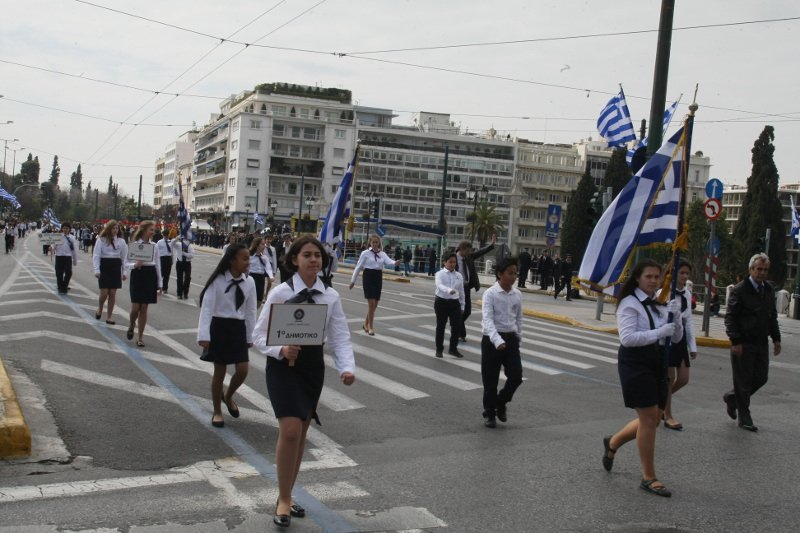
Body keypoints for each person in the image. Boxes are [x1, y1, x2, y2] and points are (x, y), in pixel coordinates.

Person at [254, 235, 355, 528]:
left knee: (300, 434)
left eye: (318, 255)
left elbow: (340, 336)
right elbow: (259, 336)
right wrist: (280, 349)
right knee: (289, 430)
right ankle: (284, 499)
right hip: (283, 365)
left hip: (311, 366)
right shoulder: (281, 293)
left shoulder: (330, 296)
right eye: (307, 255)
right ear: (295, 259)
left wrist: (346, 368)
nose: (314, 260)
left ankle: (286, 493)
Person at [601, 259, 683, 498]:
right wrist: (660, 332)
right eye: (649, 276)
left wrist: (675, 319)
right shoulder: (629, 303)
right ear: (638, 278)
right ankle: (649, 477)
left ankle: (613, 442)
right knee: (649, 419)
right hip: (635, 363)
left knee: (655, 417)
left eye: (657, 277)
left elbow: (675, 338)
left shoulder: (658, 303)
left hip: (656, 362)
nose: (654, 281)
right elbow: (627, 338)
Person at [197, 243, 257, 429]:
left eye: (249, 258)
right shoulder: (218, 280)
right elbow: (207, 308)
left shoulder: (250, 282)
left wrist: (250, 336)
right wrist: (204, 335)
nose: (248, 262)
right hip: (219, 328)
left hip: (238, 328)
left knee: (243, 370)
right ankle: (217, 411)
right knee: (219, 373)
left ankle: (228, 395)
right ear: (232, 260)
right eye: (244, 258)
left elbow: (251, 310)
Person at [723, 253, 781, 432]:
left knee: (761, 377)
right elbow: (730, 317)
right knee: (743, 380)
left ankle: (732, 398)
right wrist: (736, 340)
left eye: (765, 270)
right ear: (751, 270)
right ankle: (744, 416)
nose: (762, 273)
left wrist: (776, 338)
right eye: (759, 269)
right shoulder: (740, 290)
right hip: (744, 342)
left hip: (761, 342)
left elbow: (772, 316)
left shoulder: (769, 290)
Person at [481, 256, 523, 428]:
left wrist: (518, 338)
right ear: (500, 274)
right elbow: (487, 320)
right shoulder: (490, 294)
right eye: (510, 273)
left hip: (510, 339)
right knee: (490, 381)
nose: (513, 277)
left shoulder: (517, 294)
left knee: (516, 376)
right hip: (492, 340)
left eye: (515, 273)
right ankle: (490, 414)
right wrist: (497, 340)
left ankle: (501, 402)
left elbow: (519, 319)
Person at [657, 259, 697, 430]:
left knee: (683, 379)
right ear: (672, 273)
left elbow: (688, 320)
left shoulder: (687, 294)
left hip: (680, 340)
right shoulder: (663, 292)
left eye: (687, 273)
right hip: (666, 339)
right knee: (669, 378)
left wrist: (692, 346)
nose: (685, 276)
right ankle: (668, 414)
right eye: (681, 273)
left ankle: (661, 402)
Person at [349, 235, 400, 336]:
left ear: (379, 243)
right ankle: (370, 327)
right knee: (371, 303)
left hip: (377, 277)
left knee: (375, 304)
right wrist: (352, 281)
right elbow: (358, 267)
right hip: (368, 276)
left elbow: (388, 261)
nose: (375, 244)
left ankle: (365, 323)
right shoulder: (365, 253)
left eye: (377, 242)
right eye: (373, 242)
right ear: (370, 243)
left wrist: (395, 263)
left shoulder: (382, 254)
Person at [126, 220, 162, 348]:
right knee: (135, 308)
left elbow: (158, 264)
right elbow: (126, 263)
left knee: (144, 309)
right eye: (151, 229)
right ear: (144, 231)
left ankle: (140, 337)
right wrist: (135, 265)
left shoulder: (155, 246)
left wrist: (160, 283)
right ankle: (131, 324)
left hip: (149, 275)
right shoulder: (134, 245)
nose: (153, 232)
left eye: (153, 230)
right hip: (138, 274)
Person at [455, 234, 496, 341]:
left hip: (466, 288)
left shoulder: (468, 257)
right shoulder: (453, 258)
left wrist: (491, 245)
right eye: (467, 251)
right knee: (459, 311)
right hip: (455, 289)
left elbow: (480, 252)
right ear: (462, 249)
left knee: (467, 311)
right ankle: (461, 333)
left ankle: (456, 326)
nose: (469, 253)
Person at [92, 220, 129, 324]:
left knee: (112, 293)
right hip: (104, 265)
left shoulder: (121, 242)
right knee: (104, 293)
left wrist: (124, 272)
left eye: (117, 228)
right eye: (113, 228)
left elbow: (124, 257)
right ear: (108, 229)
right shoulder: (101, 240)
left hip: (115, 266)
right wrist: (96, 269)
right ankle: (100, 308)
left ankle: (109, 316)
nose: (115, 230)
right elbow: (96, 255)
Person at [433, 252, 466, 358]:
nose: (452, 264)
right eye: (450, 262)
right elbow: (439, 285)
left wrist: (462, 305)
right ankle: (439, 349)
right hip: (441, 302)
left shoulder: (459, 275)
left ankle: (453, 349)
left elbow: (461, 291)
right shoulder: (439, 274)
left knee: (456, 326)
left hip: (454, 303)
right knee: (441, 326)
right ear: (444, 262)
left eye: (454, 262)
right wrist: (448, 290)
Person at [50, 222, 79, 294]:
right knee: (59, 273)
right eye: (64, 228)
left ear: (69, 229)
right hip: (59, 256)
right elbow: (53, 245)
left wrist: (75, 260)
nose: (65, 230)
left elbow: (75, 249)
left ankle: (65, 286)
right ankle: (60, 287)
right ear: (62, 229)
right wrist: (51, 247)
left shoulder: (72, 238)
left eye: (67, 228)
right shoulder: (58, 236)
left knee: (68, 272)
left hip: (68, 257)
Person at [248, 237, 274, 306]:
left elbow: (268, 267)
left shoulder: (264, 257)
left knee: (259, 300)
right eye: (262, 244)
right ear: (256, 245)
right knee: (250, 298)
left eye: (264, 244)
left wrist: (271, 276)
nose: (264, 246)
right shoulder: (249, 256)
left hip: (260, 279)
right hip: (251, 277)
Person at [173, 234, 194, 300]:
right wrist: (177, 237)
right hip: (180, 262)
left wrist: (184, 253)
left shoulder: (190, 246)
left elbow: (192, 255)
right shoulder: (179, 244)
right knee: (179, 278)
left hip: (187, 263)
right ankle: (179, 293)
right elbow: (172, 244)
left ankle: (185, 293)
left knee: (188, 278)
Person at [156, 228, 175, 295]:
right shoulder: (159, 242)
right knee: (161, 274)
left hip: (168, 259)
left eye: (167, 235)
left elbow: (172, 252)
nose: (166, 236)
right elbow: (157, 252)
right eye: (165, 235)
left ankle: (165, 288)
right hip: (162, 258)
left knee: (167, 275)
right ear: (163, 235)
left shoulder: (170, 242)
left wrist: (172, 260)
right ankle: (158, 287)